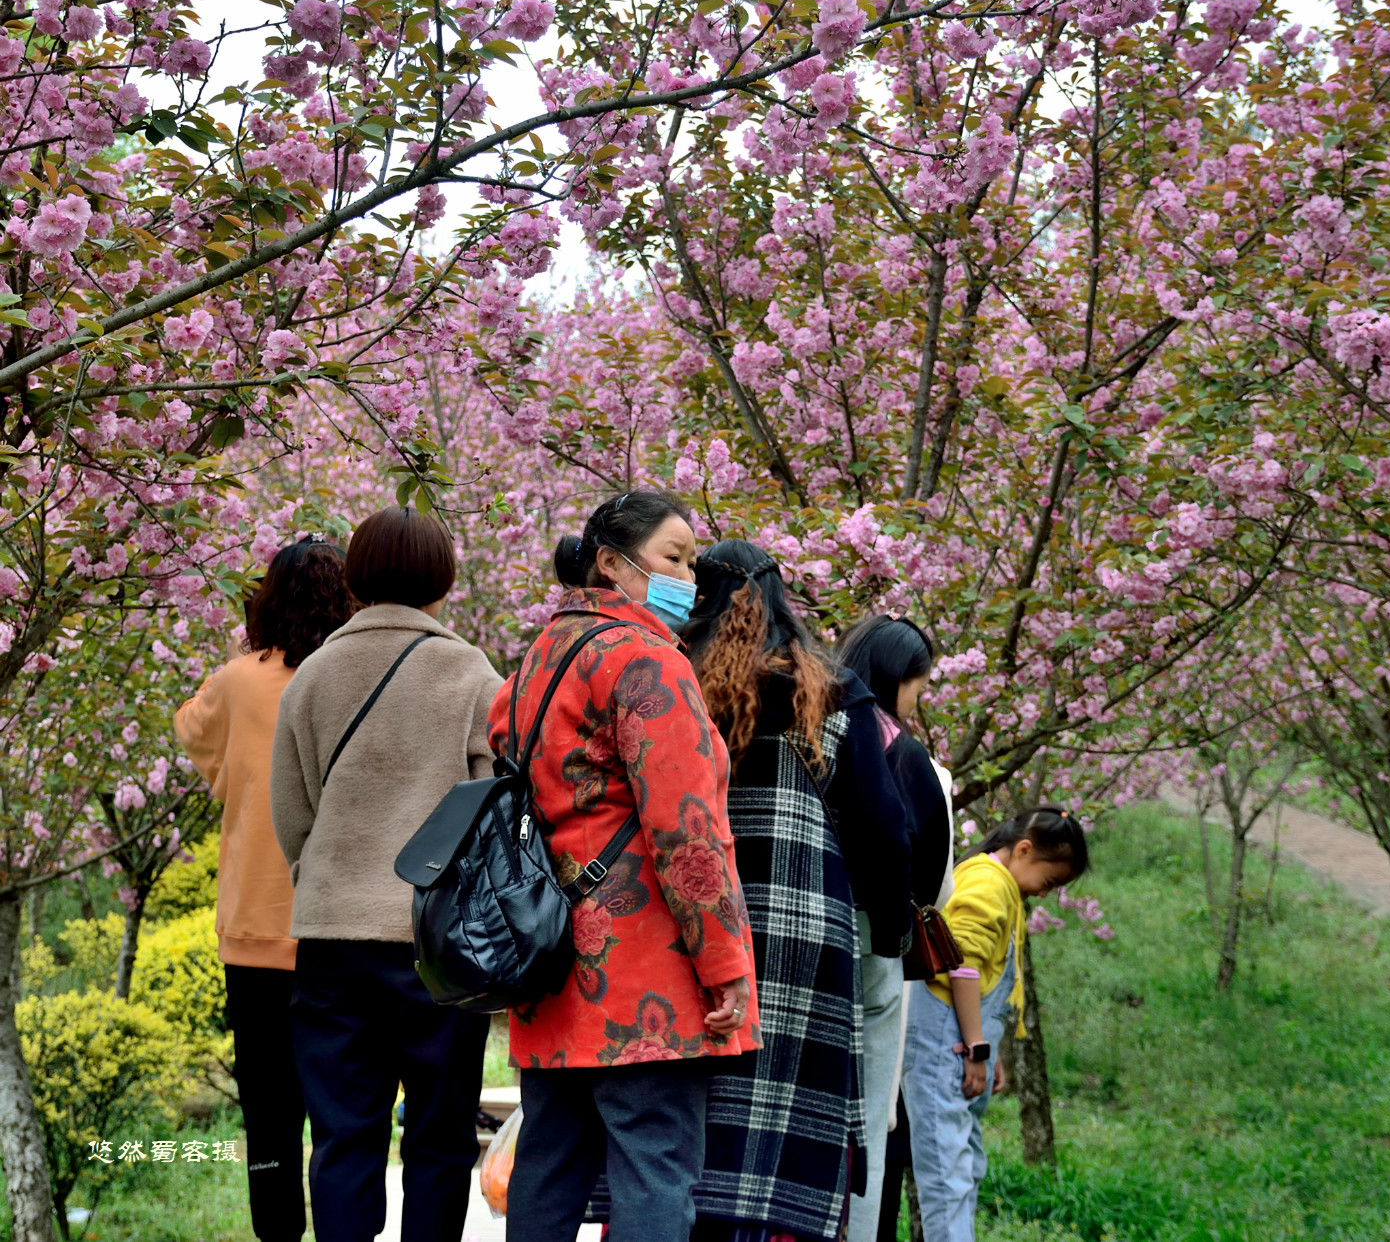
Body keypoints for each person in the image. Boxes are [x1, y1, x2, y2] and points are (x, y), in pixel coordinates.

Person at [489, 490, 758, 1242]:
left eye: (692, 563)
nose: (689, 577)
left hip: (550, 956)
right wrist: (727, 963)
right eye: (673, 558)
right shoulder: (648, 665)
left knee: (549, 1164)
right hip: (645, 972)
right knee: (654, 1166)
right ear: (612, 562)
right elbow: (688, 836)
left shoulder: (539, 660)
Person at [270, 505, 504, 1242]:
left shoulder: (313, 675)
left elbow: (292, 812)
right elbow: (493, 807)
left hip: (332, 940)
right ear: (443, 577)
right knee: (438, 1137)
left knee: (344, 1134)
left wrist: (328, 877)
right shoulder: (470, 673)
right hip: (434, 945)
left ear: (358, 575)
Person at [682, 539, 913, 1242]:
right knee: (784, 1107)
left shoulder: (672, 678)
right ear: (785, 597)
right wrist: (889, 926)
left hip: (691, 917)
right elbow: (883, 827)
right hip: (800, 925)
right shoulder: (832, 688)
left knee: (692, 1106)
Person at [175, 537, 356, 1242]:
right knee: (344, 1111)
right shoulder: (358, 677)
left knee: (269, 1117)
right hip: (342, 929)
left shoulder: (235, 681)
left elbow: (195, 736)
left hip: (255, 930)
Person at [900, 808, 1089, 1242]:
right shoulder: (988, 881)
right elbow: (961, 965)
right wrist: (976, 1048)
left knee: (962, 1167)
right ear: (1024, 849)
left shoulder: (1001, 886)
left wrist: (989, 1047)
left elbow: (986, 973)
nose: (1047, 893)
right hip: (944, 1046)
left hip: (960, 1042)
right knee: (947, 1177)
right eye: (1052, 880)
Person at [835, 614, 953, 1242]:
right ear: (897, 679)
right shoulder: (916, 765)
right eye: (917, 685)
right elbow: (935, 891)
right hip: (877, 954)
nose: (918, 699)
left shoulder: (810, 741)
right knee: (869, 1118)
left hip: (796, 945)